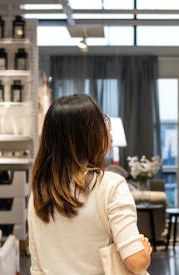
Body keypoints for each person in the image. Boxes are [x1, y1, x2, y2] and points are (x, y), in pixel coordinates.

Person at [28, 94, 152, 275]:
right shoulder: (110, 185)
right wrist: (144, 250)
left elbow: (37, 267)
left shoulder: (39, 193)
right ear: (89, 134)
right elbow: (136, 262)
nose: (107, 126)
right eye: (101, 120)